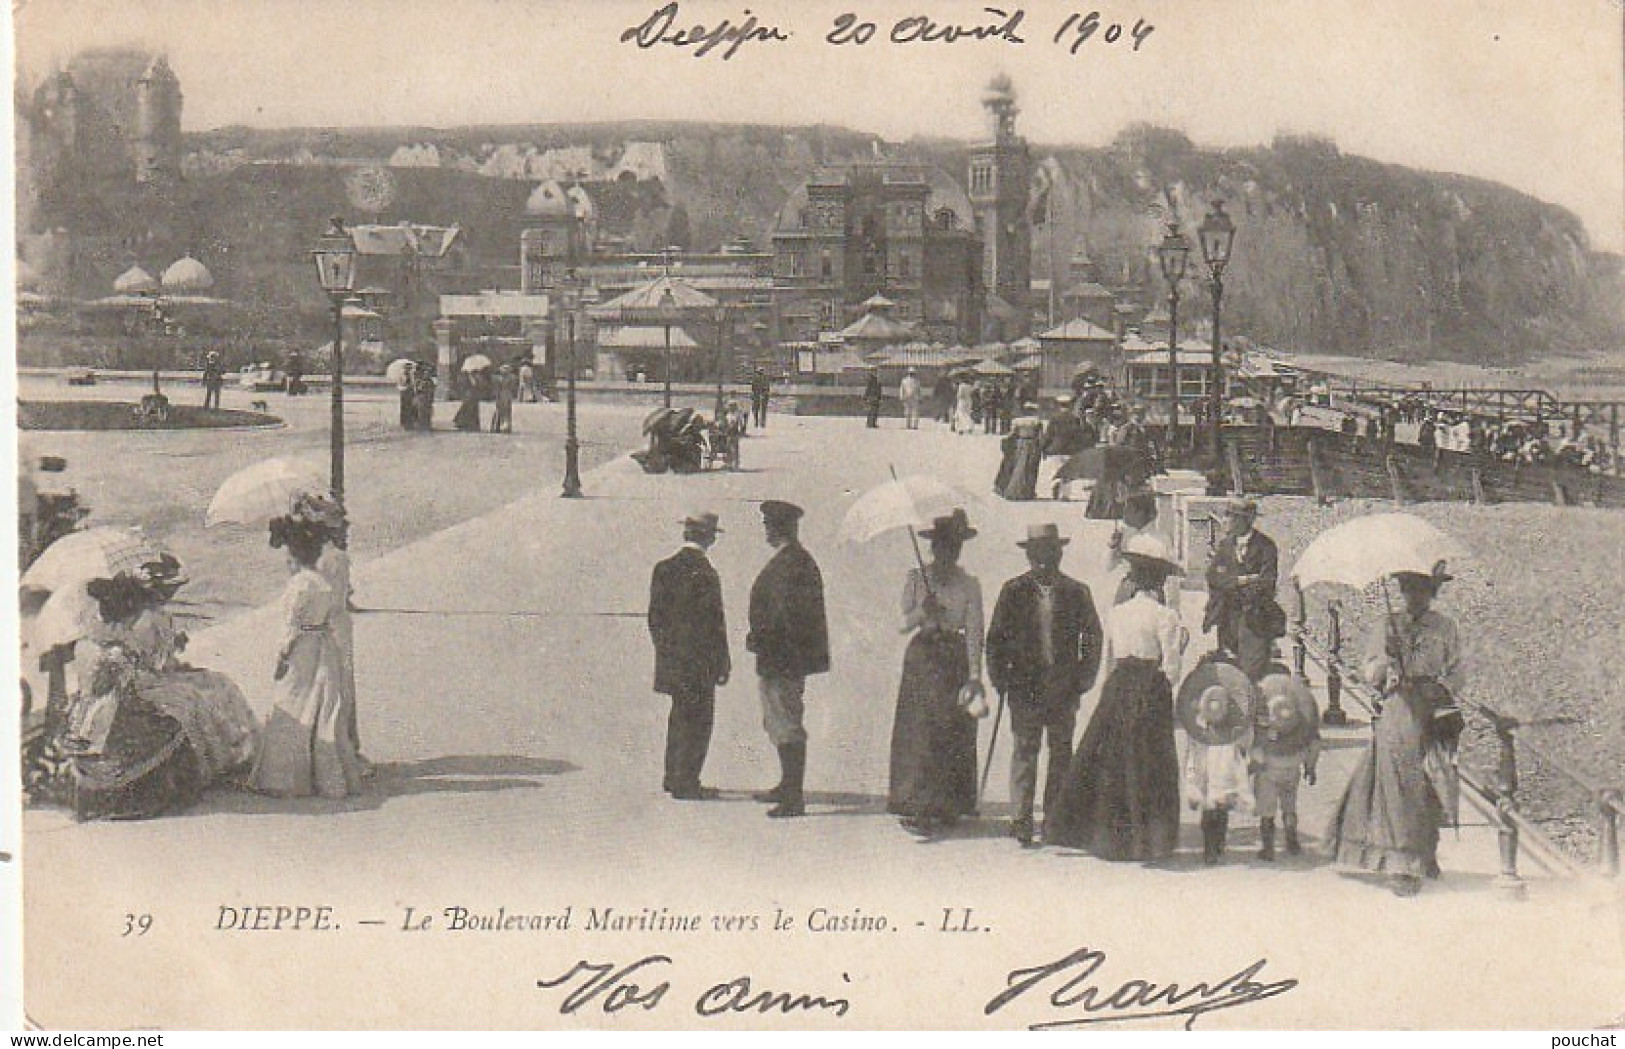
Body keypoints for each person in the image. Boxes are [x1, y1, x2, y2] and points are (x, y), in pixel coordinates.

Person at [33, 558, 256, 820]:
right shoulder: (153, 618)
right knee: (198, 697)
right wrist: (172, 649)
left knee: (195, 690)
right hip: (137, 686)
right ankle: (216, 764)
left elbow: (112, 657)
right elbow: (157, 664)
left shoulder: (97, 620)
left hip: (99, 694)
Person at [1047, 534, 1187, 861]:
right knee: (1150, 762)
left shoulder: (1118, 613)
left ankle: (1109, 836)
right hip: (1150, 687)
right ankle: (1149, 841)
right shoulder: (1166, 617)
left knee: (1112, 758)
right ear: (1159, 583)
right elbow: (1172, 668)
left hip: (1119, 686)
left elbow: (1111, 657)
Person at [1326, 566, 1463, 896]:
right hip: (1399, 710)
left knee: (1435, 779)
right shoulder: (1387, 625)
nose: (1416, 597)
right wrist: (1387, 668)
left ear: (1433, 593)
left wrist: (1441, 687)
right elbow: (1368, 668)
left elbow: (1458, 669)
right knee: (1399, 782)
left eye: (1423, 591)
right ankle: (1402, 862)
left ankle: (1427, 851)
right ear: (1402, 592)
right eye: (1409, 590)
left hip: (1432, 708)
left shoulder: (1445, 628)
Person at [985, 523, 1103, 846]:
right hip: (1025, 687)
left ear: (1059, 554)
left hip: (1064, 687)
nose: (1042, 562)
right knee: (1025, 749)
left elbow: (1092, 636)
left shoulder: (1078, 592)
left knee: (1061, 752)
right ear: (1028, 556)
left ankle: (1055, 819)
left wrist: (1084, 677)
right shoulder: (1013, 591)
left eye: (1049, 555)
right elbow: (995, 640)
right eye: (1036, 555)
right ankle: (1021, 819)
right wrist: (1000, 678)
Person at [249, 508, 365, 799]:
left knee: (292, 701)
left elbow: (290, 628)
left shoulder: (298, 586)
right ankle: (326, 773)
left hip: (302, 648)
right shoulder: (323, 583)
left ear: (295, 556)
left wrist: (282, 657)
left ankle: (284, 777)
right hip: (323, 646)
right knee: (321, 705)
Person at [888, 509, 987, 837]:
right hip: (922, 659)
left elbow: (974, 632)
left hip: (952, 661)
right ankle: (916, 804)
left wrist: (974, 675)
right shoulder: (917, 579)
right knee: (920, 732)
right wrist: (922, 611)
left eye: (954, 548)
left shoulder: (969, 585)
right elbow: (901, 624)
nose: (948, 553)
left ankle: (948, 804)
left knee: (952, 730)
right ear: (933, 548)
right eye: (943, 547)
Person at [746, 500, 830, 819]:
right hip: (780, 656)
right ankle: (787, 784)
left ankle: (793, 796)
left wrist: (760, 638)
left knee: (787, 721)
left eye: (769, 525)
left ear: (779, 529)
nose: (766, 530)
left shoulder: (792, 564)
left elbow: (786, 616)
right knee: (779, 720)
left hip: (782, 657)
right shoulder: (795, 560)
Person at [648, 512, 730, 801]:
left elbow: (654, 619)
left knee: (678, 717)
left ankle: (672, 776)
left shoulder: (663, 568)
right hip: (700, 663)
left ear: (686, 534)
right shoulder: (706, 573)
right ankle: (689, 781)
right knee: (699, 721)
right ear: (708, 538)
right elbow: (715, 624)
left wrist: (666, 651)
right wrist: (723, 662)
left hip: (673, 661)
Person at [306, 495, 367, 776]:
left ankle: (333, 744)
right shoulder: (336, 557)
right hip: (334, 624)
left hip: (327, 624)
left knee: (329, 684)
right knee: (336, 685)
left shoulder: (321, 559)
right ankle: (341, 745)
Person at [1178, 663, 1257, 865]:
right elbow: (1245, 742)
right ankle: (1213, 846)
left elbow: (1191, 749)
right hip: (1219, 773)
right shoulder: (1229, 728)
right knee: (1216, 809)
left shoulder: (1199, 727)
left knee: (1214, 809)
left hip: (1214, 772)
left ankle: (1213, 845)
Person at [1202, 497, 1284, 681]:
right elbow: (1213, 577)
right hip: (1227, 617)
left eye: (1230, 516)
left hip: (1255, 618)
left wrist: (1230, 583)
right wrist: (1242, 580)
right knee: (1229, 670)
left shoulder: (1266, 546)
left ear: (1244, 520)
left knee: (1251, 673)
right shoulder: (1224, 545)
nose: (1226, 520)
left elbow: (1267, 582)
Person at [1251, 672, 1321, 860]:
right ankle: (1292, 841)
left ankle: (1268, 847)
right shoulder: (1302, 729)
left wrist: (1253, 765)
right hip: (1292, 769)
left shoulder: (1264, 732)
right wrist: (1310, 768)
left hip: (1268, 770)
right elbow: (1314, 744)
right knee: (1290, 807)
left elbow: (1255, 749)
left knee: (1267, 810)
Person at [994, 404, 1045, 501]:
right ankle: (1028, 491)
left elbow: (1012, 433)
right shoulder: (1037, 421)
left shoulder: (1017, 421)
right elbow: (1040, 436)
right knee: (1030, 469)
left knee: (1019, 467)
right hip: (1032, 444)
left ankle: (1015, 491)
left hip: (1020, 443)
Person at [491, 365, 516, 433]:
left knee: (505, 411)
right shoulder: (500, 378)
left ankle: (503, 427)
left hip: (504, 394)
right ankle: (501, 426)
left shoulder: (499, 378)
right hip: (504, 394)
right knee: (502, 411)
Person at [412, 364, 437, 432]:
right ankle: (422, 426)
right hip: (421, 399)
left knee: (428, 412)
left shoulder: (431, 381)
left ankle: (427, 425)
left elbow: (432, 390)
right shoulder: (419, 381)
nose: (427, 374)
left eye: (429, 373)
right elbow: (417, 390)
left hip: (427, 399)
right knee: (421, 413)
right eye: (426, 373)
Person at [396, 360, 418, 430]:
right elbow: (400, 384)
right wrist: (405, 384)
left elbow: (413, 383)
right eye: (407, 368)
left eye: (410, 368)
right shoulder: (401, 375)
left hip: (410, 392)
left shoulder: (412, 375)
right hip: (404, 391)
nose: (409, 369)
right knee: (404, 407)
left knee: (411, 407)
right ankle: (404, 422)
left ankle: (410, 422)